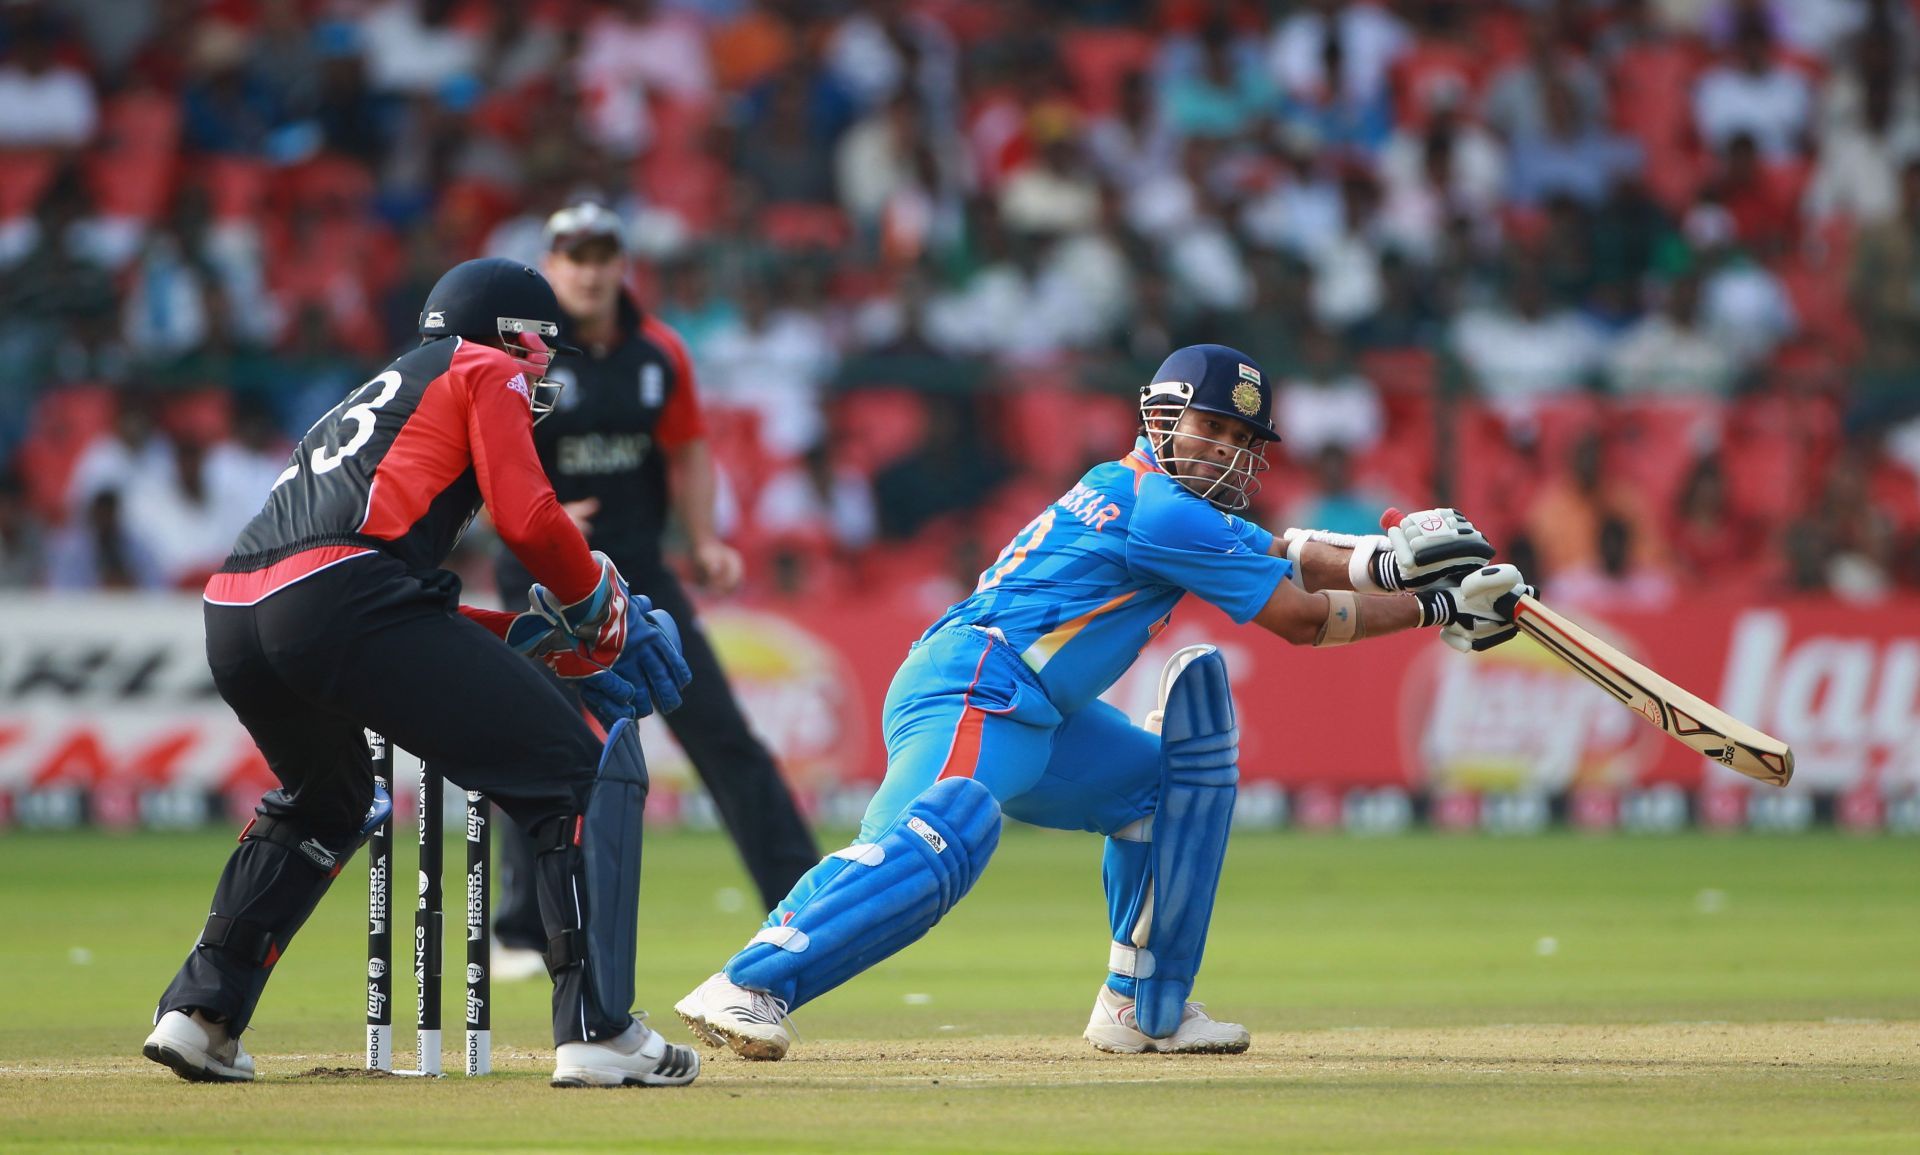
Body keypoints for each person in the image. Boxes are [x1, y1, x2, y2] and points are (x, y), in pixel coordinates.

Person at [674, 344, 1531, 1059]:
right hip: (976, 682)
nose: (1227, 451)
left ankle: (1140, 1008)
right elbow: (1302, 618)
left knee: (1167, 784)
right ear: (1162, 417)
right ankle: (749, 981)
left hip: (1039, 712)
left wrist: (1404, 566)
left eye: (1242, 436)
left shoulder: (1155, 494)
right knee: (940, 831)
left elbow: (1283, 550)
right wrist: (1433, 601)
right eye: (1212, 428)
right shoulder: (1165, 510)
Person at [142, 258, 700, 1089]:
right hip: (339, 599)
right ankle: (599, 1031)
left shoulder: (381, 391)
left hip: (239, 609)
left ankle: (201, 1014)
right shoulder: (486, 367)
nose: (545, 368)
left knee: (325, 802)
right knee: (572, 773)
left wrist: (525, 633)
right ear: (515, 335)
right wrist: (598, 610)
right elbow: (530, 519)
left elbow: (376, 595)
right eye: (542, 347)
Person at [487, 203, 818, 974]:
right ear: (551, 261)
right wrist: (538, 514)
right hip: (540, 575)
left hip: (637, 576)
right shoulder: (521, 351)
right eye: (575, 254)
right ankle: (518, 926)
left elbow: (689, 449)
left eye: (603, 254)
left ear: (622, 263)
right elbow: (485, 447)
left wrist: (703, 539)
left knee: (721, 733)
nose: (591, 270)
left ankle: (805, 896)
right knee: (531, 740)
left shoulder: (658, 351)